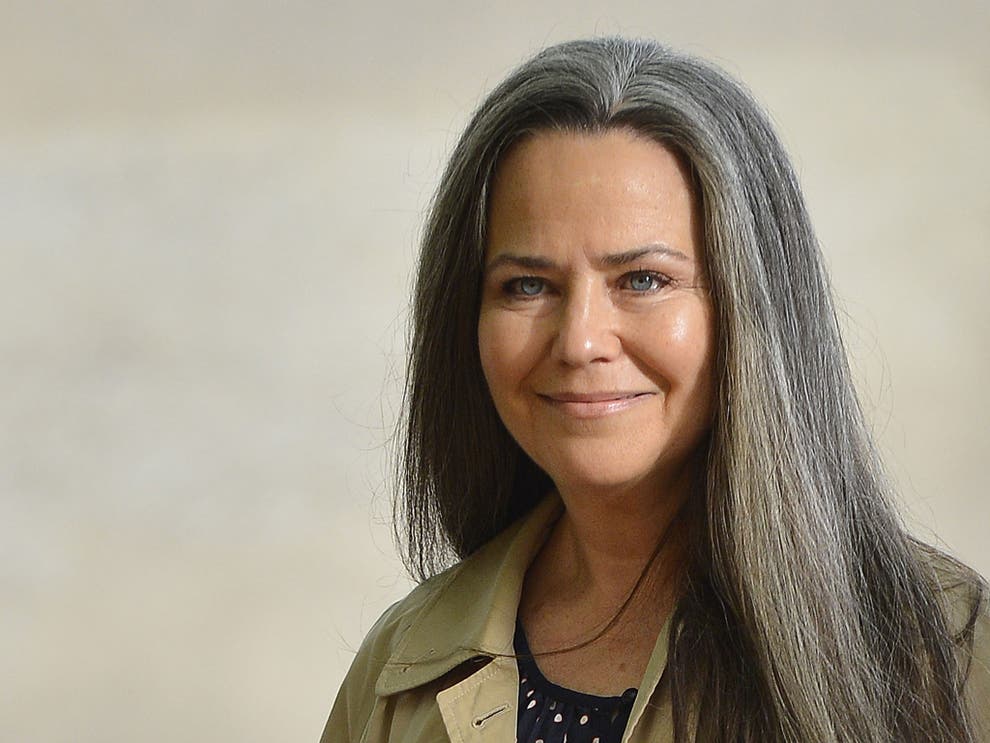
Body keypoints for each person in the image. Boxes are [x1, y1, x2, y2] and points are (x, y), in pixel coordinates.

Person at [321, 37, 989, 742]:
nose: (579, 341)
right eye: (526, 285)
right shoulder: (400, 664)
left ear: (752, 307)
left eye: (643, 280)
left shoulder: (945, 655)